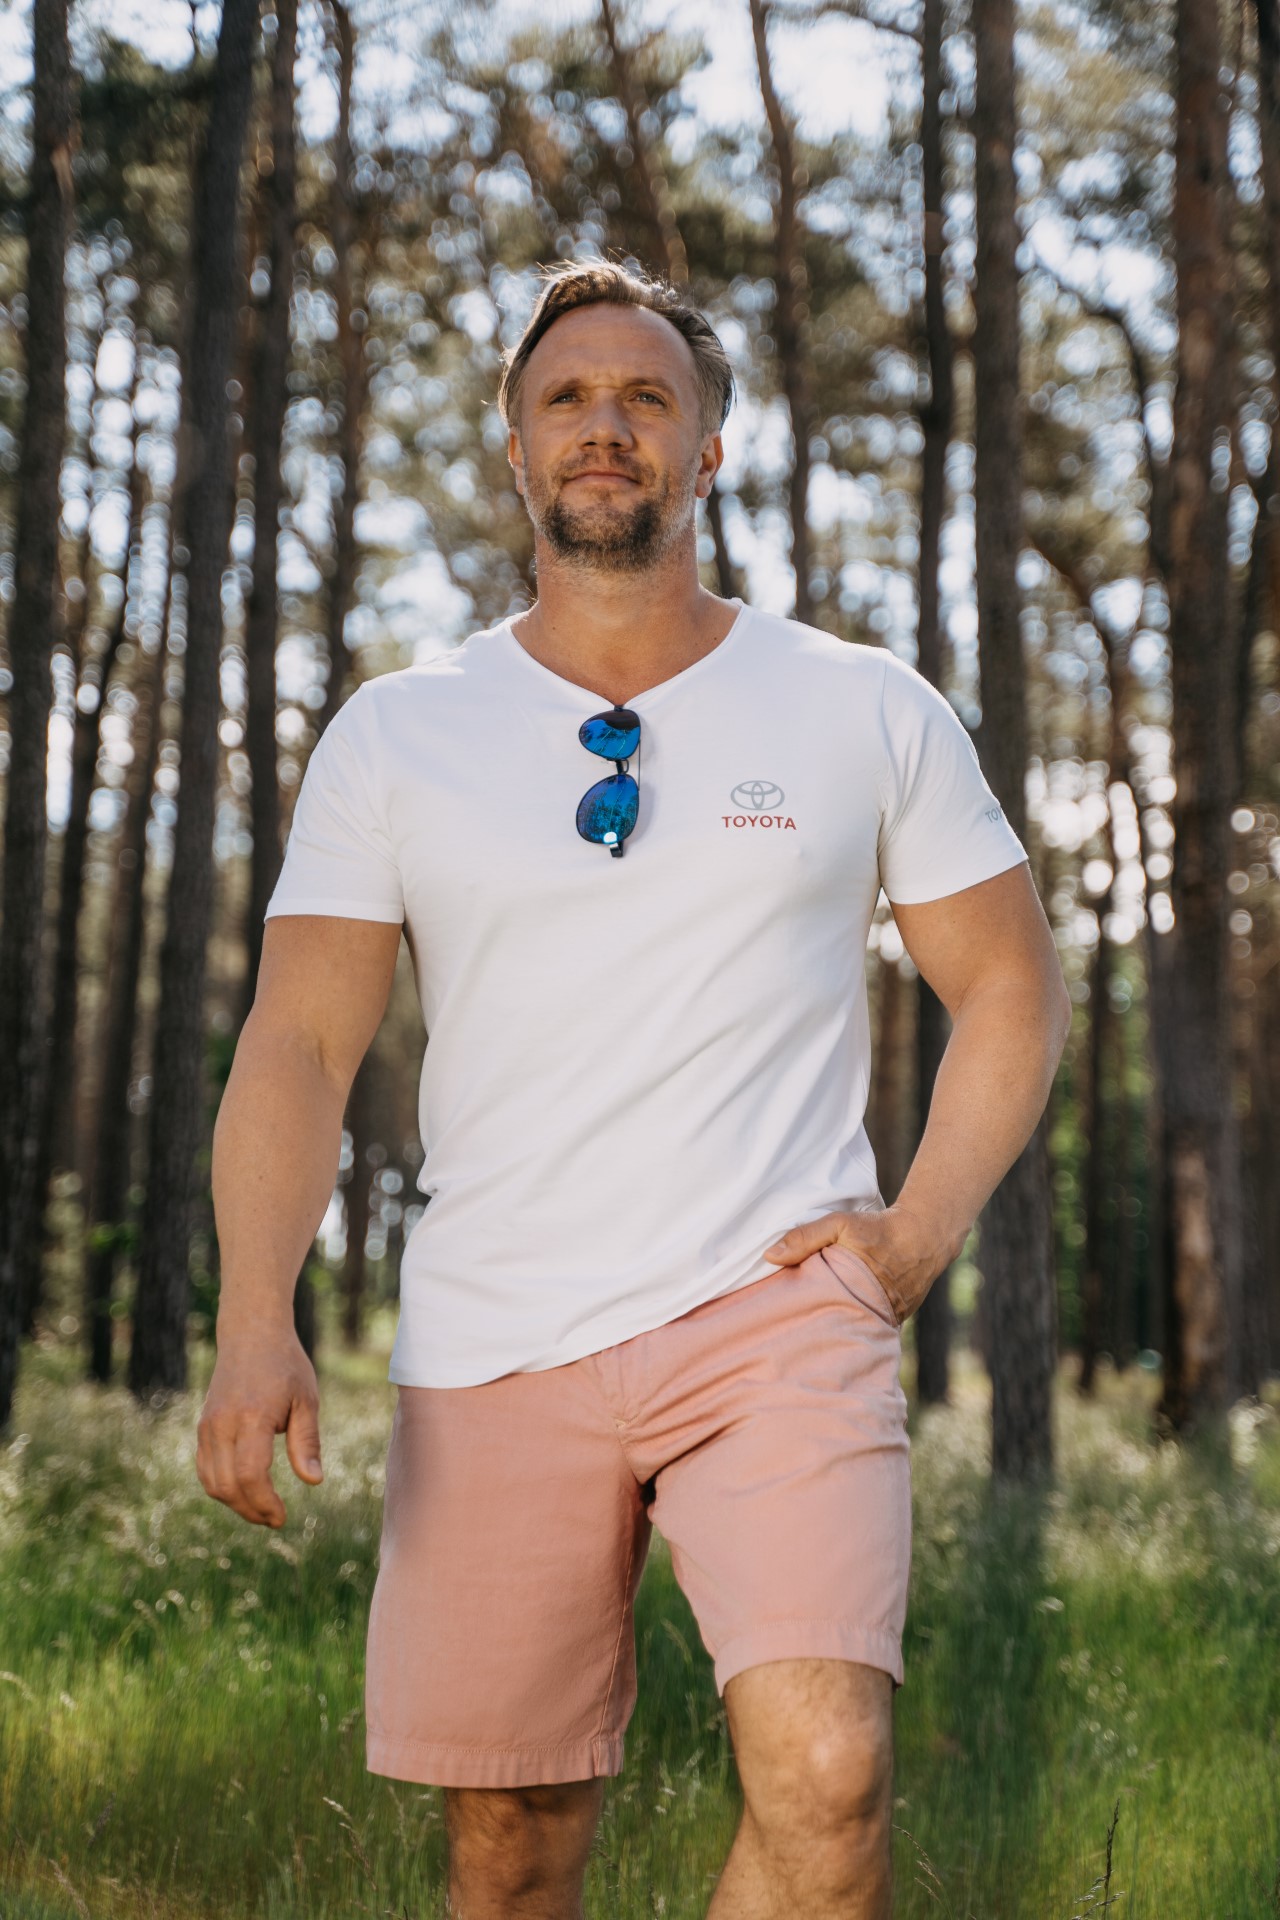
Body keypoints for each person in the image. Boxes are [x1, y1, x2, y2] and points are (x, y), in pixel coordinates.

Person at [198, 260, 1071, 1920]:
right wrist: (256, 1317)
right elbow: (299, 1045)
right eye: (569, 399)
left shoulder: (858, 703)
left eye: (647, 397)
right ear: (516, 451)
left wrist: (914, 1236)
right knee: (512, 1849)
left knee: (829, 1783)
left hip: (777, 1314)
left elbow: (1013, 985)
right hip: (496, 1330)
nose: (607, 426)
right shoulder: (399, 733)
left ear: (710, 449)